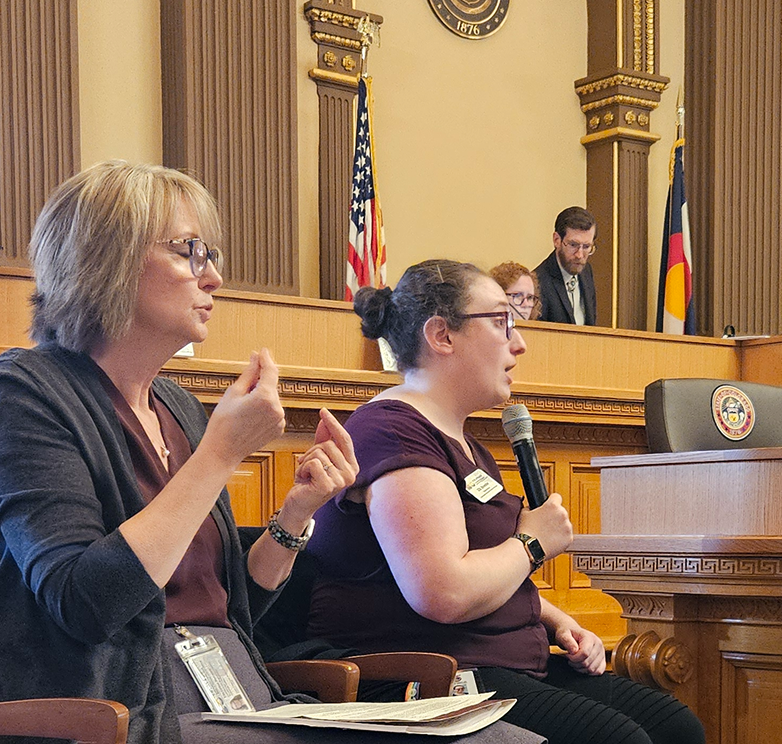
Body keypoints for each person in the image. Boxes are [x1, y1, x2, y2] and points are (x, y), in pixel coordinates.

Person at [0, 162, 537, 744]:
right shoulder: (25, 393)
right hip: (133, 709)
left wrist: (297, 515)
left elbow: (235, 610)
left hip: (239, 692)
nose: (214, 279)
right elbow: (84, 603)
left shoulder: (175, 406)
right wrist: (220, 454)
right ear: (106, 259)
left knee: (502, 739)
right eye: (190, 253)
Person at [305, 259, 705, 744]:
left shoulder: (465, 443)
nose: (519, 342)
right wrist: (533, 544)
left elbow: (490, 568)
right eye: (500, 322)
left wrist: (558, 621)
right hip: (429, 673)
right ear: (442, 336)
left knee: (676, 728)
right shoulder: (393, 431)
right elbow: (444, 593)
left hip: (499, 660)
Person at [534, 206, 598, 325]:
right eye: (573, 245)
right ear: (556, 240)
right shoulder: (538, 282)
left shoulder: (586, 271)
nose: (579, 255)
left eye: (586, 247)